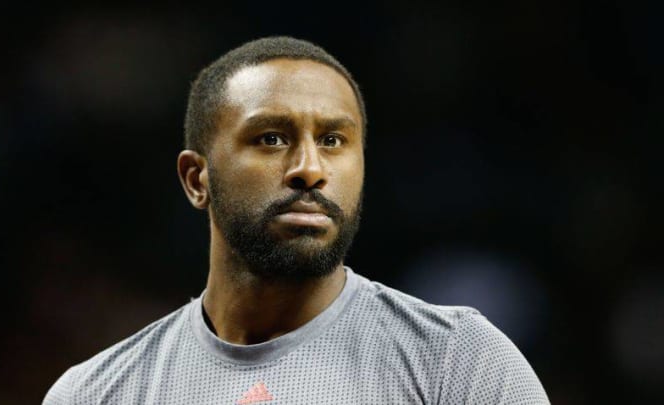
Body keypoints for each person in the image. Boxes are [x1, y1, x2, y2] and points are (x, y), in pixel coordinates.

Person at [43, 36, 549, 404]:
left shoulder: (458, 362)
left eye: (333, 141)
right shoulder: (96, 393)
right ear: (197, 179)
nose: (310, 169)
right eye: (271, 138)